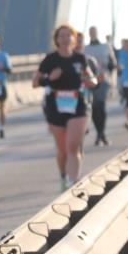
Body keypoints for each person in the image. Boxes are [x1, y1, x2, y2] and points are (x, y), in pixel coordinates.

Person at [34, 25, 98, 192]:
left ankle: (73, 183)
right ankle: (64, 176)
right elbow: (35, 82)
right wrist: (49, 78)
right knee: (62, 150)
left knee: (73, 146)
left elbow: (91, 77)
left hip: (77, 104)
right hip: (55, 105)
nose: (65, 38)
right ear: (56, 39)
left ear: (74, 38)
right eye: (61, 36)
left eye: (69, 35)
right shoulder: (50, 59)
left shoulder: (80, 59)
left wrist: (91, 81)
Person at [84, 26, 116, 145]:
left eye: (94, 31)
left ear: (97, 33)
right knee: (93, 107)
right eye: (90, 32)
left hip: (103, 80)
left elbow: (112, 63)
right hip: (89, 81)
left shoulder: (105, 47)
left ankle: (101, 133)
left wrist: (109, 72)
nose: (92, 33)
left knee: (100, 105)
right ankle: (100, 134)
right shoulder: (85, 49)